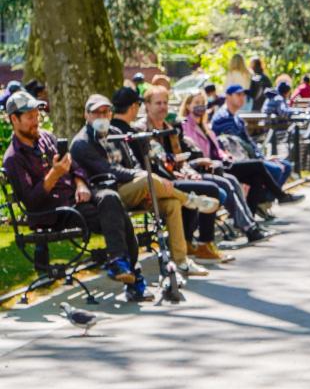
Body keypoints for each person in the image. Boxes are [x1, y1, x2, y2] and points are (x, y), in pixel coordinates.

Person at [2, 91, 151, 301]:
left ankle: (119, 262)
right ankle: (131, 276)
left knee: (110, 198)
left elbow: (75, 166)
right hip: (54, 212)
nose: (36, 121)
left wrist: (81, 183)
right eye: (29, 117)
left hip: (76, 200)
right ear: (14, 119)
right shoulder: (13, 158)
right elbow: (32, 201)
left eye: (37, 115)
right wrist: (54, 174)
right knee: (119, 216)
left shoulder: (46, 138)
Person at [70, 94, 215, 277]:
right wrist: (143, 178)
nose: (101, 116)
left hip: (135, 188)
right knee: (149, 178)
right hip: (110, 195)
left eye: (105, 112)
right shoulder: (81, 143)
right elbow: (109, 171)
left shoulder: (115, 133)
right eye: (96, 112)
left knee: (171, 204)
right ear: (86, 115)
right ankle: (189, 199)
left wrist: (143, 182)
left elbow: (133, 163)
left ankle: (182, 261)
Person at [133, 86, 237, 264]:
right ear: (147, 106)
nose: (163, 107)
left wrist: (190, 173)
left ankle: (189, 241)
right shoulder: (141, 130)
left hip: (178, 176)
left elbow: (181, 159)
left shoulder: (171, 128)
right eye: (158, 103)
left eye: (165, 102)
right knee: (212, 190)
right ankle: (205, 244)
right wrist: (179, 174)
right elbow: (150, 165)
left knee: (219, 185)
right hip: (160, 182)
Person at [180, 90, 281, 242]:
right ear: (187, 106)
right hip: (202, 167)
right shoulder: (186, 126)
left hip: (218, 164)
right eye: (196, 104)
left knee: (255, 177)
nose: (200, 107)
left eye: (202, 103)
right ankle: (251, 224)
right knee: (241, 175)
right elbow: (195, 151)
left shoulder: (205, 126)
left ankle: (250, 224)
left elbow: (217, 149)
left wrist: (225, 155)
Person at [211, 85, 298, 197]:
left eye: (243, 95)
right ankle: (266, 200)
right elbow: (235, 148)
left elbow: (249, 142)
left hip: (249, 157)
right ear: (227, 96)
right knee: (276, 169)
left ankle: (266, 200)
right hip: (235, 161)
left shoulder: (236, 117)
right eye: (238, 94)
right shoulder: (223, 118)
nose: (242, 97)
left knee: (286, 165)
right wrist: (259, 160)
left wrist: (263, 157)